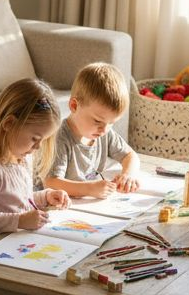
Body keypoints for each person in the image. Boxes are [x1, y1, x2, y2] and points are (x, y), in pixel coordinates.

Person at [0, 78, 72, 250]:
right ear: (9, 123)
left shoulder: (21, 157)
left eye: (43, 140)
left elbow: (13, 200)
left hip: (11, 246)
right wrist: (19, 221)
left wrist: (45, 197)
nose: (38, 147)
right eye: (35, 138)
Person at [41, 62, 141, 199]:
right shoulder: (60, 138)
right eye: (97, 121)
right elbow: (50, 182)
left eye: (111, 123)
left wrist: (128, 175)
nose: (104, 129)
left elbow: (130, 155)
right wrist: (89, 189)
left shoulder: (103, 133)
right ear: (74, 106)